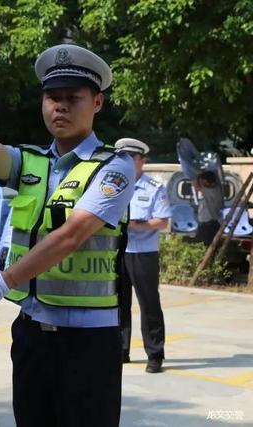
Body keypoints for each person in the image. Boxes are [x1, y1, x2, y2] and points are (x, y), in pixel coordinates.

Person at [0, 44, 134, 426]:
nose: (60, 107)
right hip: (32, 334)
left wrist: (4, 280)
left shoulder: (115, 166)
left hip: (88, 340)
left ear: (97, 102)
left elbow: (72, 235)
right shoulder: (29, 161)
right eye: (52, 97)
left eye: (72, 98)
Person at [115, 138, 170, 373]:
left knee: (149, 305)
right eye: (123, 158)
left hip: (143, 253)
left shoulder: (154, 188)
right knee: (119, 303)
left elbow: (162, 220)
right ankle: (121, 350)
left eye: (132, 158)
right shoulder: (114, 185)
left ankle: (155, 354)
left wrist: (137, 225)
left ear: (142, 161)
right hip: (118, 250)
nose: (126, 162)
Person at [193, 170, 224, 245]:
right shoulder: (216, 189)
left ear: (207, 182)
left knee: (207, 246)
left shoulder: (211, 190)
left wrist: (199, 174)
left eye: (203, 182)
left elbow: (196, 186)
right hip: (210, 224)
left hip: (209, 225)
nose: (202, 184)